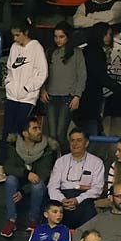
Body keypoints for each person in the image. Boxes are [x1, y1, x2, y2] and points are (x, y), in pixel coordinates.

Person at [2, 116, 56, 237]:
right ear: (25, 133)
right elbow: (9, 167)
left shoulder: (47, 148)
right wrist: (26, 174)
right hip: (20, 180)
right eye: (35, 129)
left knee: (37, 185)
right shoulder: (13, 145)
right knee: (10, 180)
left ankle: (33, 221)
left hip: (35, 185)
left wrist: (23, 191)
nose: (39, 131)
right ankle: (11, 220)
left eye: (39, 128)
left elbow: (43, 174)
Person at [41, 23, 86, 153]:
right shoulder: (49, 52)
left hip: (68, 97)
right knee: (52, 135)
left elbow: (82, 76)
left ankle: (68, 159)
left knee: (60, 134)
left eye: (61, 37)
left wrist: (77, 96)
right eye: (56, 36)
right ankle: (55, 162)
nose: (58, 40)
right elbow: (41, 72)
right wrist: (42, 89)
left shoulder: (77, 53)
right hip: (50, 96)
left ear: (68, 37)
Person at [2, 20, 47, 150]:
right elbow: (9, 69)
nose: (15, 38)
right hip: (12, 96)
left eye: (17, 35)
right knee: (7, 130)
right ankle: (3, 161)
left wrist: (27, 88)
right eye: (13, 35)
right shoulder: (14, 47)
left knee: (21, 131)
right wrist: (8, 84)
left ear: (25, 32)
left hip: (27, 98)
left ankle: (18, 160)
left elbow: (42, 73)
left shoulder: (36, 48)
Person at [47, 128, 104, 228]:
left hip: (84, 199)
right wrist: (62, 199)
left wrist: (78, 199)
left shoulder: (96, 162)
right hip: (63, 198)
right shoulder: (61, 161)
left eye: (79, 140)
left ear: (86, 143)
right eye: (72, 140)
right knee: (53, 209)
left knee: (89, 209)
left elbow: (97, 188)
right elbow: (52, 186)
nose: (75, 144)